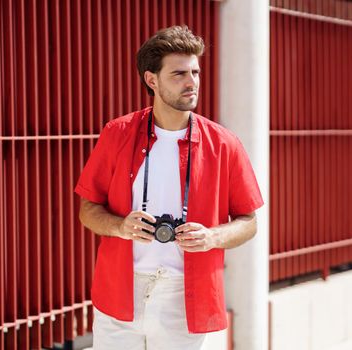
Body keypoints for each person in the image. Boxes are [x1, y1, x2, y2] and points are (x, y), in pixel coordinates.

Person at [75, 25, 263, 350]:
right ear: (152, 80)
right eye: (179, 74)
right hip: (120, 293)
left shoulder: (224, 143)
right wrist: (120, 226)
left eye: (195, 72)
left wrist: (212, 237)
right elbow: (88, 210)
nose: (192, 82)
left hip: (186, 298)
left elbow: (249, 222)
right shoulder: (117, 134)